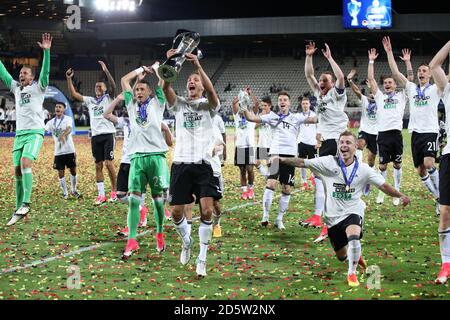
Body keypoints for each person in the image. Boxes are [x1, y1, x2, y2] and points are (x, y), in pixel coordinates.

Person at [274, 130, 410, 287]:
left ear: (355, 147)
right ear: (338, 146)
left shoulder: (364, 169)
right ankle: (355, 257)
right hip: (332, 218)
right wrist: (281, 159)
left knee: (354, 236)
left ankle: (351, 273)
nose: (344, 146)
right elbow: (302, 162)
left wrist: (400, 196)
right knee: (341, 255)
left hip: (353, 211)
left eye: (348, 143)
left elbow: (384, 186)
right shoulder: (328, 162)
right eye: (342, 143)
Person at [162, 49, 221, 278]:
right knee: (176, 212)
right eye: (189, 80)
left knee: (206, 211)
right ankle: (186, 242)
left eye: (195, 80)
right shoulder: (179, 104)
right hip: (181, 163)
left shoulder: (208, 106)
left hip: (203, 164)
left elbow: (214, 94)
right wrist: (171, 62)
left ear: (202, 86)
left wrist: (198, 66)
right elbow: (165, 88)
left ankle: (202, 258)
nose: (191, 82)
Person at [242, 91, 316, 230]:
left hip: (290, 158)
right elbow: (252, 118)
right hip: (275, 154)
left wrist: (327, 111)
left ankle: (279, 219)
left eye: (285, 100)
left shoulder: (296, 118)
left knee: (286, 188)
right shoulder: (271, 116)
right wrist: (244, 108)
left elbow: (314, 119)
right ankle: (265, 215)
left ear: (289, 103)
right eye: (280, 100)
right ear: (278, 103)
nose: (282, 102)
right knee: (271, 183)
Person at [384, 36, 441, 215]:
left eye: (424, 70)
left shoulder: (436, 88)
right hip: (415, 133)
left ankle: (444, 198)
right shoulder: (411, 88)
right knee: (420, 170)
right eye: (419, 70)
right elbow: (395, 73)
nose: (421, 73)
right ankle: (439, 198)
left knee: (429, 163)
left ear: (430, 74)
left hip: (430, 131)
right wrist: (388, 52)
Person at [0, 33, 52, 226]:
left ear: (32, 77)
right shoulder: (16, 89)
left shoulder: (39, 88)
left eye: (25, 74)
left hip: (35, 133)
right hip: (19, 135)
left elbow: (45, 72)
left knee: (25, 162)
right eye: (20, 73)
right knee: (17, 171)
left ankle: (26, 203)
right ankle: (18, 207)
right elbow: (4, 74)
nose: (21, 75)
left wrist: (46, 52)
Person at [119, 63, 169, 259]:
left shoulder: (158, 103)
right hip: (137, 158)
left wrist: (156, 70)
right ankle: (132, 240)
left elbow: (163, 82)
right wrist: (140, 70)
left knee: (158, 203)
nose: (138, 91)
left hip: (156, 156)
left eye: (142, 89)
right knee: (133, 200)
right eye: (137, 89)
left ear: (150, 92)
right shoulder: (131, 105)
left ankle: (159, 233)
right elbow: (124, 80)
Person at [304, 42, 349, 242]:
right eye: (320, 80)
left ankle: (330, 223)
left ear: (331, 84)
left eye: (324, 80)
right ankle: (329, 219)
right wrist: (309, 56)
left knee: (329, 181)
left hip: (336, 140)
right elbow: (308, 75)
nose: (321, 83)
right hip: (327, 141)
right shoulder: (319, 95)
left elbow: (340, 77)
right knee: (325, 181)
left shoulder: (337, 95)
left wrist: (330, 58)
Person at [66, 61, 118, 205]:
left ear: (105, 89)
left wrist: (107, 71)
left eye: (100, 85)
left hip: (108, 134)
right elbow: (74, 94)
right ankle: (101, 195)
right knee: (98, 165)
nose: (97, 87)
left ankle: (114, 190)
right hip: (95, 136)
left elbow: (114, 86)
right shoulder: (90, 101)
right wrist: (69, 79)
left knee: (109, 163)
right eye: (96, 86)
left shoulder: (109, 98)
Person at [369, 43, 406, 206]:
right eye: (385, 83)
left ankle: (396, 192)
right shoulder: (380, 97)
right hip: (383, 134)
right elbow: (371, 79)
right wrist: (371, 61)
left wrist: (405, 61)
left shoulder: (402, 96)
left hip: (396, 134)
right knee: (382, 166)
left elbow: (407, 79)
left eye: (390, 82)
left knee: (397, 164)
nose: (387, 84)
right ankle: (382, 193)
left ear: (395, 85)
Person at [429, 40, 450, 284]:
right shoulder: (447, 88)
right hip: (449, 155)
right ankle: (446, 264)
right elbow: (435, 64)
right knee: (445, 212)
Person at [347, 69, 378, 196]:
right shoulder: (365, 100)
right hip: (364, 130)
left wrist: (372, 86)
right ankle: (357, 169)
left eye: (373, 94)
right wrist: (349, 81)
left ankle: (368, 180)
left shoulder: (381, 102)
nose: (371, 96)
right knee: (359, 144)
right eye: (369, 94)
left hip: (376, 133)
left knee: (371, 161)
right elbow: (356, 91)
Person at [44, 102, 81, 200]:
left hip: (69, 150)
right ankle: (65, 192)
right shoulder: (51, 122)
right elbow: (44, 130)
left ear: (63, 109)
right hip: (58, 152)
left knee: (73, 170)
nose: (57, 108)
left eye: (60, 107)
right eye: (56, 107)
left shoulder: (68, 119)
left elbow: (69, 129)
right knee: (60, 172)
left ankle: (73, 190)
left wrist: (63, 135)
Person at [232, 87, 259, 200]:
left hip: (250, 145)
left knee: (250, 169)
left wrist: (250, 95)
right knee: (242, 170)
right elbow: (234, 104)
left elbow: (256, 104)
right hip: (240, 145)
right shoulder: (237, 115)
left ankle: (251, 188)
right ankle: (244, 190)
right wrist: (241, 95)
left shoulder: (252, 113)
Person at [296, 97, 317, 193]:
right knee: (302, 163)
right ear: (301, 105)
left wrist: (318, 141)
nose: (305, 105)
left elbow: (319, 128)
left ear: (309, 105)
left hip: (312, 143)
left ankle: (313, 178)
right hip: (302, 142)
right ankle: (304, 181)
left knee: (313, 164)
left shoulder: (314, 115)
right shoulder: (298, 116)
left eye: (306, 103)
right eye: (303, 103)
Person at [255, 96, 272, 178]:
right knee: (255, 161)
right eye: (262, 106)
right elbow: (255, 127)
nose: (263, 107)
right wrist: (261, 118)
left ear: (270, 106)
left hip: (270, 143)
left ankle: (270, 178)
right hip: (261, 143)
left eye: (265, 105)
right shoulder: (260, 115)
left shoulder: (273, 116)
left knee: (269, 162)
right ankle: (266, 175)